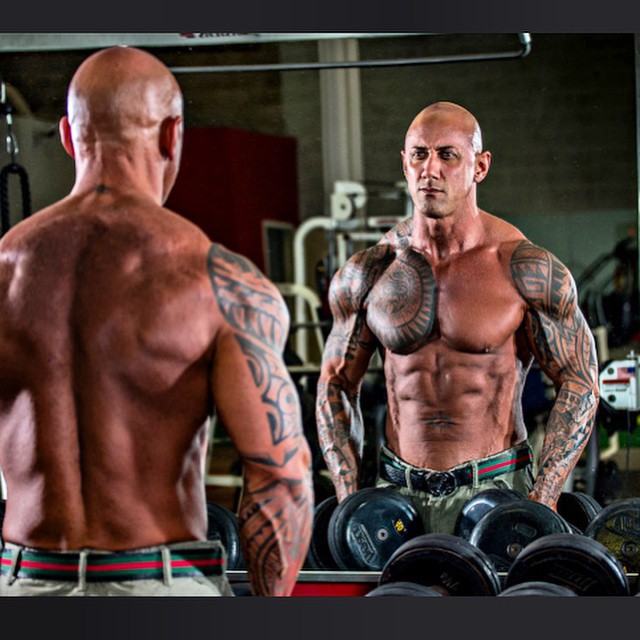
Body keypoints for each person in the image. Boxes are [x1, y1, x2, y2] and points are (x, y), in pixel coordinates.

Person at [0, 46, 313, 597]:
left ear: (70, 138)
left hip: (24, 587)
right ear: (173, 135)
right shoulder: (215, 279)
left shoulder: (4, 270)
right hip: (155, 588)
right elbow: (280, 477)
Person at [316, 101, 599, 535]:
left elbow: (580, 382)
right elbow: (335, 384)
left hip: (497, 489)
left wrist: (543, 499)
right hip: (394, 494)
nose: (431, 169)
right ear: (405, 163)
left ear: (480, 166)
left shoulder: (523, 267)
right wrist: (348, 500)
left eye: (447, 155)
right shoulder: (369, 273)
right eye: (419, 154)